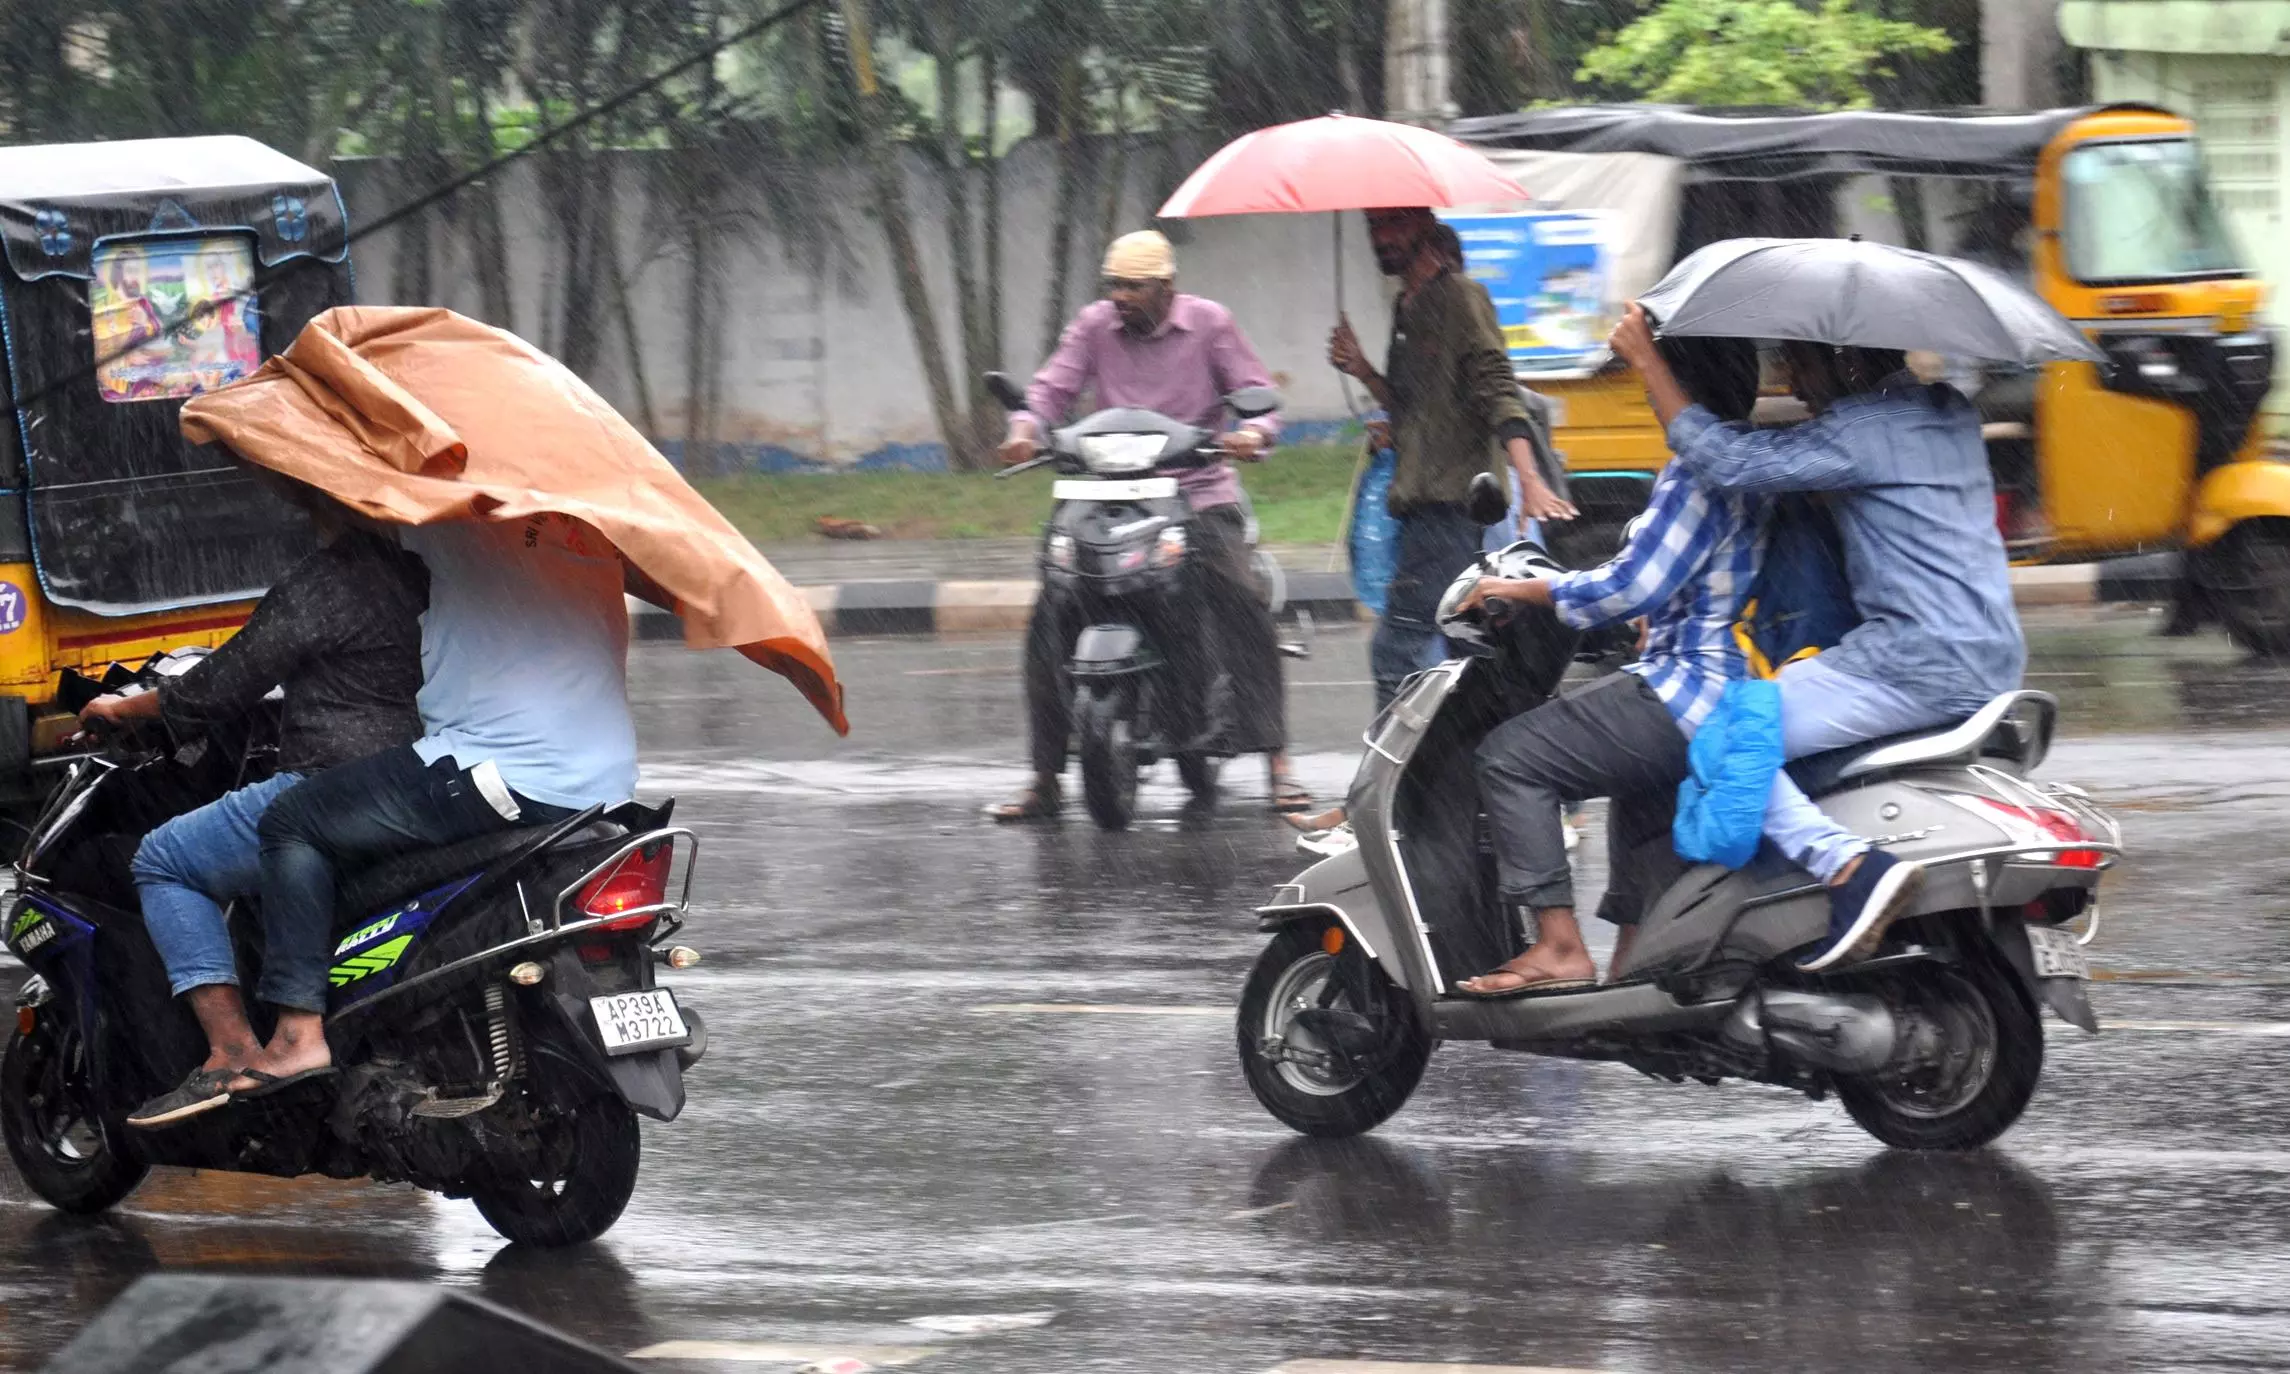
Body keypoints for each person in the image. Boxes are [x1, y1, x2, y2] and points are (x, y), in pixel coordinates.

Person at [1612, 304, 2027, 971]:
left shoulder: (1860, 431)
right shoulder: (1949, 412)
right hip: (1994, 658)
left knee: (1723, 730)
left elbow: (1730, 463)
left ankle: (1848, 870)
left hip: (1912, 662)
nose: (1794, 383)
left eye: (1800, 362)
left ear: (1847, 360)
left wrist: (1648, 361)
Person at [231, 512, 666, 1091]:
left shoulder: (456, 519)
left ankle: (296, 1034)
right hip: (604, 784)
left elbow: (340, 495)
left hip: (505, 773)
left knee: (292, 822)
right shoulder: (589, 529)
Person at [93, 488, 428, 1127]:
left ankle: (230, 1050)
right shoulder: (432, 574)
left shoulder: (332, 580)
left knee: (164, 859)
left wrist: (123, 709)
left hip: (330, 779)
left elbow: (222, 685)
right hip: (418, 775)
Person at [1443, 336, 1767, 995]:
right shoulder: (1748, 465)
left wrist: (1525, 590)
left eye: (1653, 378)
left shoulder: (1697, 474)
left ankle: (1560, 947)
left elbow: (1627, 588)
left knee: (1511, 757)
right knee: (1637, 786)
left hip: (1684, 690)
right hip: (1716, 689)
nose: (1647, 393)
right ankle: (1633, 964)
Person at [990, 230, 1309, 820]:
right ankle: (1044, 778)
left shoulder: (1210, 324)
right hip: (1106, 492)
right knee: (1050, 613)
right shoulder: (1093, 326)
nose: (1120, 297)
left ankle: (1279, 765)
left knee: (1240, 598)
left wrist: (1251, 434)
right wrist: (1024, 430)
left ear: (1166, 287)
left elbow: (1256, 397)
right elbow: (1049, 390)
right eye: (1113, 285)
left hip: (1198, 492)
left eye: (1134, 286)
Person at [1327, 207, 1576, 709]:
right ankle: (1490, 751)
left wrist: (1528, 478)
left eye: (1393, 225)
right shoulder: (1407, 307)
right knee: (1468, 644)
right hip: (1418, 508)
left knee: (1397, 649)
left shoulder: (1462, 297)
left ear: (1423, 225)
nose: (1382, 238)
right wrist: (1361, 371)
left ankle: (1396, 775)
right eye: (1374, 227)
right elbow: (1409, 406)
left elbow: (1499, 389)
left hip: (1451, 508)